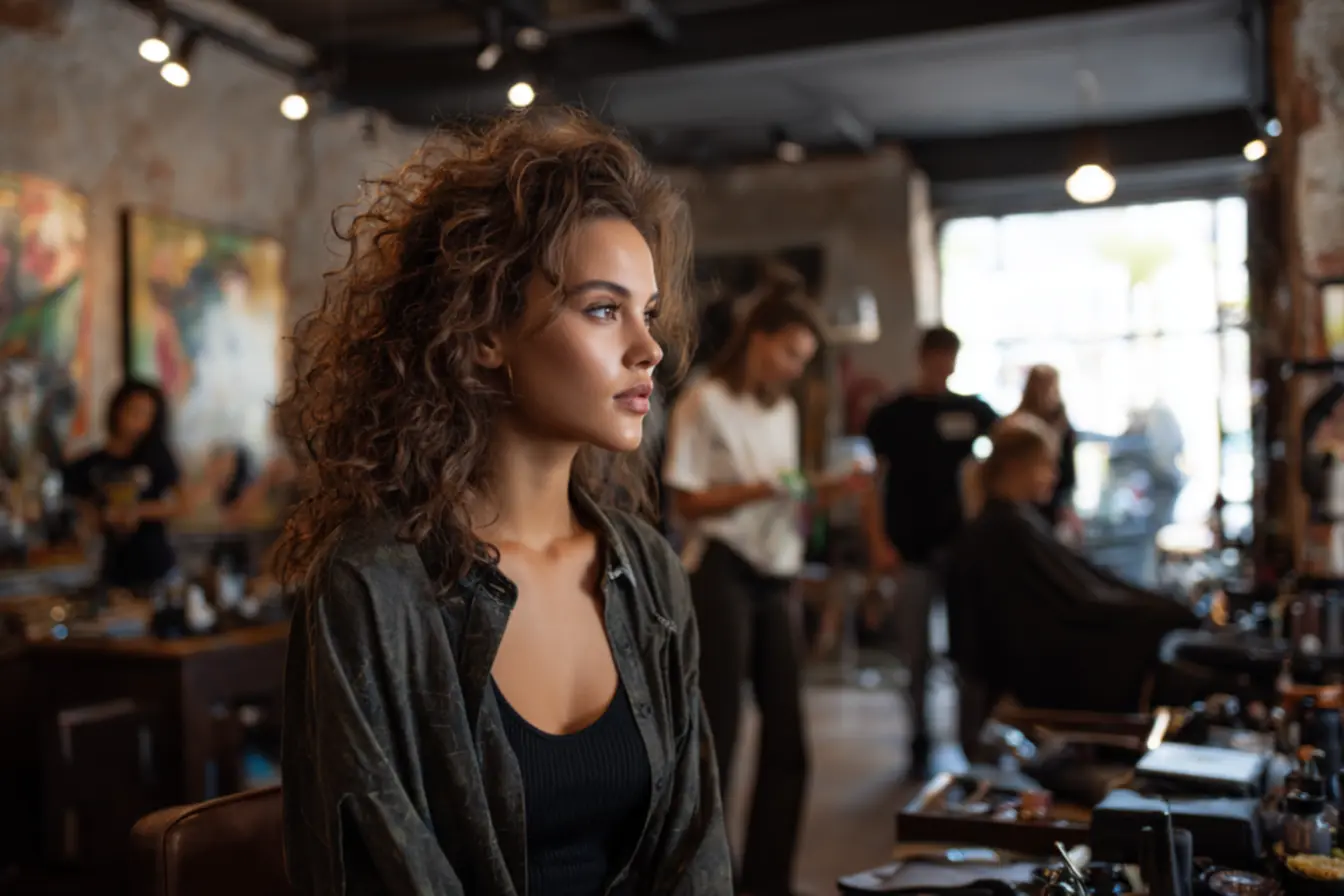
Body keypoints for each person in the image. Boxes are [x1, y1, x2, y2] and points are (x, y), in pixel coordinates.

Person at [276, 109, 731, 896]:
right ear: (486, 329)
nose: (648, 348)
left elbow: (696, 857)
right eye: (602, 309)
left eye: (647, 313)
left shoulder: (649, 573)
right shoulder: (373, 588)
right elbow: (381, 872)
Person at [663, 288, 863, 896]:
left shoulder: (784, 409)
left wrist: (817, 497)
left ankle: (769, 883)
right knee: (719, 736)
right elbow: (684, 500)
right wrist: (758, 490)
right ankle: (715, 879)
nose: (795, 369)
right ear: (757, 339)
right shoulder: (704, 401)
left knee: (790, 741)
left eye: (803, 359)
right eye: (789, 354)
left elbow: (790, 495)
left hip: (776, 573)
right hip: (721, 566)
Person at [947, 417, 1200, 741]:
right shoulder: (1006, 531)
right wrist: (1163, 612)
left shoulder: (1011, 524)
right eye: (1048, 465)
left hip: (1041, 665)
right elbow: (1078, 605)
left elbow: (1083, 589)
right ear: (1017, 466)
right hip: (1046, 676)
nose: (1055, 476)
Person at [863, 326, 996, 777]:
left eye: (951, 359)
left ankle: (968, 738)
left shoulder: (971, 411)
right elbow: (872, 484)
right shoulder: (893, 416)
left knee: (966, 647)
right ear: (923, 358)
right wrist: (878, 543)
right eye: (937, 358)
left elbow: (1008, 449)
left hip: (960, 550)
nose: (944, 367)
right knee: (914, 652)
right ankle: (918, 737)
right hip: (910, 549)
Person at [64, 380, 184, 591]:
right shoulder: (89, 464)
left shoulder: (156, 457)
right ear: (117, 410)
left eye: (147, 415)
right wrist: (98, 518)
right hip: (109, 568)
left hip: (155, 566)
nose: (138, 422)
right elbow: (79, 509)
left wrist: (137, 511)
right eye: (133, 411)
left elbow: (181, 504)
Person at [1015, 364, 1079, 535]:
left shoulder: (1063, 425)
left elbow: (1067, 473)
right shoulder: (1018, 427)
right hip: (1026, 504)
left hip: (1055, 505)